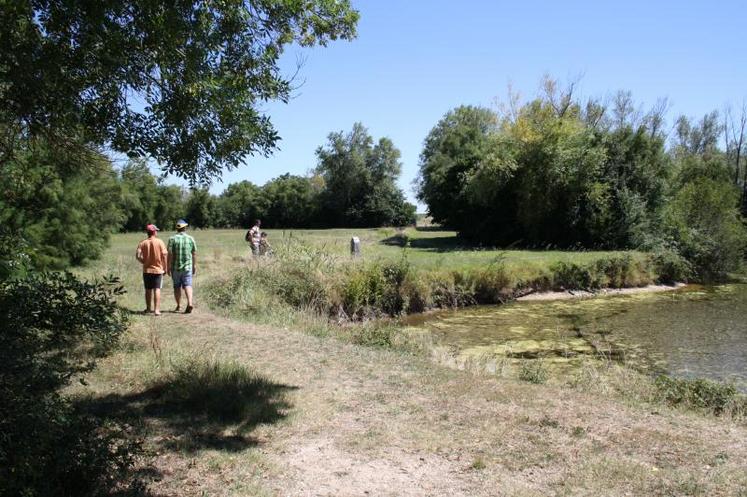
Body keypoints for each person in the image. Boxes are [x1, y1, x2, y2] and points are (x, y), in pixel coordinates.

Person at [136, 224, 168, 315]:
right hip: (158, 270)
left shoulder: (143, 242)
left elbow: (137, 255)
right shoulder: (160, 242)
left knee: (148, 289)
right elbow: (165, 255)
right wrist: (165, 267)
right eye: (156, 230)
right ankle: (157, 310)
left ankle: (148, 308)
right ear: (154, 232)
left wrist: (143, 261)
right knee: (157, 289)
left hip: (147, 270)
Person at [167, 219, 197, 314]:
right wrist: (194, 265)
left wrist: (168, 266)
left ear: (177, 228)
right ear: (185, 228)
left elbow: (170, 254)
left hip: (175, 267)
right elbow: (194, 253)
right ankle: (190, 303)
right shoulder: (191, 238)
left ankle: (179, 306)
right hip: (187, 267)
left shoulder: (172, 239)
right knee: (188, 285)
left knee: (177, 287)